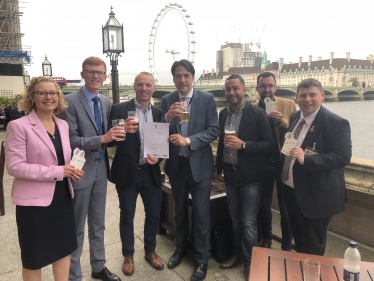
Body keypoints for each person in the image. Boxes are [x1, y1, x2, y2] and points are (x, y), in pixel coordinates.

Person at [5, 76, 84, 281]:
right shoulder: (19, 126)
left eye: (53, 93)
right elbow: (14, 167)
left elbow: (60, 158)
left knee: (64, 248)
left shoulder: (63, 125)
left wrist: (72, 168)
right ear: (32, 97)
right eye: (42, 92)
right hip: (33, 204)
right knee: (34, 257)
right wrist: (58, 171)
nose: (48, 97)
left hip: (62, 196)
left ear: (59, 97)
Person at [59, 56, 125, 281]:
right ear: (82, 75)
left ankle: (98, 267)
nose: (96, 76)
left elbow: (109, 136)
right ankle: (73, 276)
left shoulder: (105, 102)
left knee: (98, 224)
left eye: (100, 72)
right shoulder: (68, 102)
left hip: (100, 171)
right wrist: (102, 139)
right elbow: (71, 140)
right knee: (76, 228)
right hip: (79, 172)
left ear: (105, 77)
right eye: (91, 71)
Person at [162, 59, 220, 281]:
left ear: (193, 77)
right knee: (178, 212)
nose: (182, 79)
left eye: (186, 75)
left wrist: (187, 140)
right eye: (178, 75)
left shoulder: (207, 99)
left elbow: (214, 130)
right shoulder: (167, 100)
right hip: (177, 166)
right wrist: (167, 118)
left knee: (202, 214)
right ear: (174, 79)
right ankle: (180, 249)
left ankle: (202, 259)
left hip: (200, 166)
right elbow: (158, 130)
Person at [281, 78, 352, 255]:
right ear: (296, 98)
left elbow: (343, 157)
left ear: (322, 96)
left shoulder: (335, 122)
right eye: (303, 95)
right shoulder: (297, 116)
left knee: (312, 248)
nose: (307, 99)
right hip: (292, 191)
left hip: (315, 197)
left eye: (312, 95)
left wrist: (308, 160)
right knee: (299, 242)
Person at [107, 72, 165, 276]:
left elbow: (161, 143)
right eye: (140, 84)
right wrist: (121, 129)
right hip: (127, 173)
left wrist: (158, 157)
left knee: (154, 215)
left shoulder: (159, 113)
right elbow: (111, 141)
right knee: (127, 215)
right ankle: (128, 255)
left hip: (150, 172)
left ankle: (150, 251)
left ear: (153, 88)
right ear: (134, 86)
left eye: (148, 85)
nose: (144, 88)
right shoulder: (120, 108)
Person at [215, 74, 273, 275]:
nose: (232, 93)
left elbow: (269, 144)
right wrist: (219, 168)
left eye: (235, 89)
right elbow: (221, 143)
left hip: (250, 176)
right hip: (230, 174)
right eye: (228, 89)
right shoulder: (223, 114)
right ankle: (238, 254)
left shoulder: (257, 114)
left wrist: (244, 145)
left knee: (248, 221)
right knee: (235, 219)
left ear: (244, 90)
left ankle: (250, 263)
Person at [254, 72, 296, 251]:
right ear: (257, 89)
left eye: (270, 85)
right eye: (263, 86)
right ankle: (267, 238)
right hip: (263, 163)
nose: (267, 89)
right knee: (264, 204)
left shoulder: (288, 104)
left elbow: (297, 133)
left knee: (285, 206)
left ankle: (286, 244)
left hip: (283, 161)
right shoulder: (254, 108)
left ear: (276, 87)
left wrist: (282, 122)